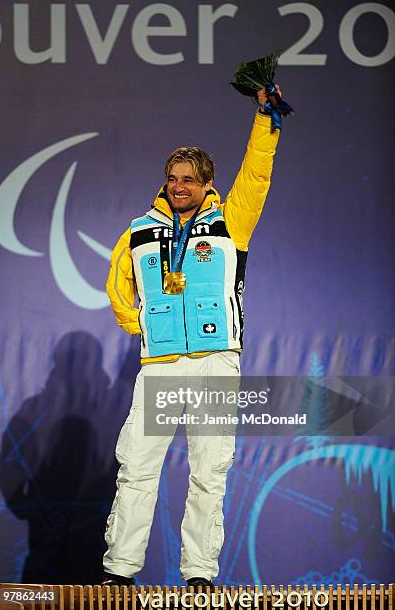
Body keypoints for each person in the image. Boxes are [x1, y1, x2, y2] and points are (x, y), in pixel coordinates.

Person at [102, 87, 281, 587]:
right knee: (137, 468)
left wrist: (265, 122)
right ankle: (119, 572)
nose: (179, 186)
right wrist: (140, 324)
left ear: (207, 184)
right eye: (172, 178)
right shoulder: (139, 230)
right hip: (160, 366)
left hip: (215, 360)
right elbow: (119, 281)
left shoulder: (232, 221)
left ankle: (199, 575)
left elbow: (257, 174)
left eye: (189, 180)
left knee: (208, 473)